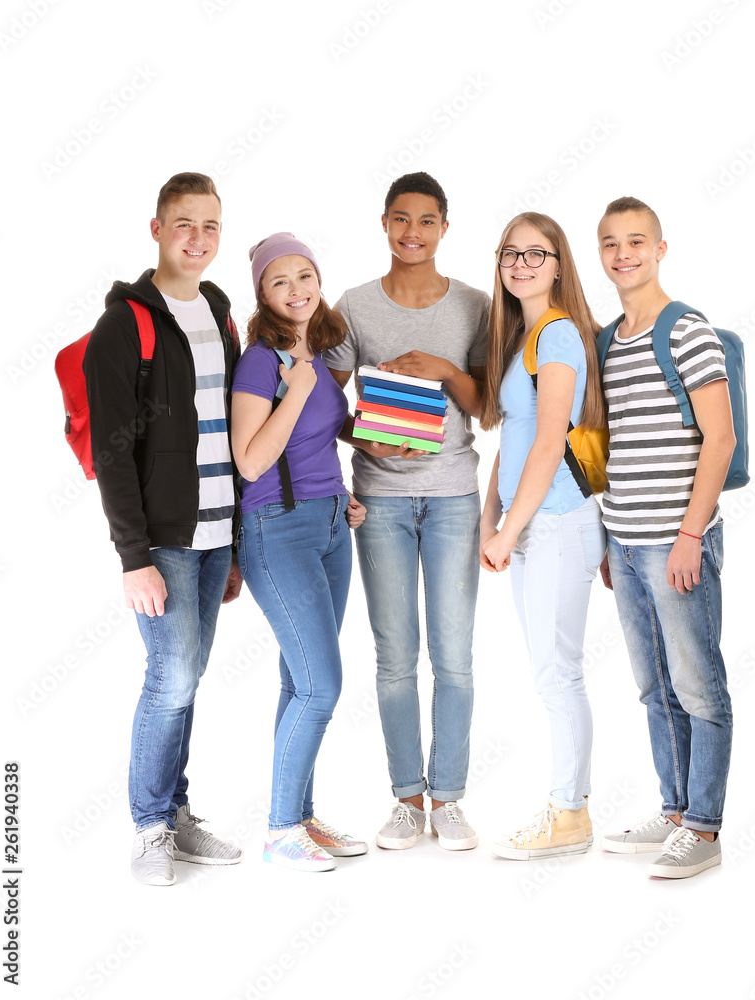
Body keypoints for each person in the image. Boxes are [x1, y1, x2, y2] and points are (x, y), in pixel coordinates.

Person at [84, 172, 244, 886]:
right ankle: (150, 824)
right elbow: (111, 452)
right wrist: (133, 557)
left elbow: (236, 428)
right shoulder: (127, 324)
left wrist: (236, 540)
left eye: (210, 226)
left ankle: (176, 813)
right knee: (171, 676)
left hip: (217, 535)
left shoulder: (218, 307)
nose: (197, 239)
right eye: (184, 224)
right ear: (156, 229)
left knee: (189, 676)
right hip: (164, 541)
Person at [324, 172, 489, 851]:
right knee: (395, 656)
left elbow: (486, 407)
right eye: (401, 219)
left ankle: (448, 799)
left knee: (454, 656)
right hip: (381, 499)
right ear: (384, 224)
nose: (412, 232)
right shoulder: (354, 306)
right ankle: (405, 798)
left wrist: (445, 371)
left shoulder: (476, 307)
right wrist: (366, 436)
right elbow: (320, 404)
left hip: (453, 494)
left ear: (445, 227)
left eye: (426, 220)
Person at [596, 196, 735, 878]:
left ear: (660, 249)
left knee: (698, 686)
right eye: (611, 244)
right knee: (654, 688)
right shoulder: (606, 340)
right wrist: (607, 538)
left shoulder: (688, 331)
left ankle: (703, 831)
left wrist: (689, 534)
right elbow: (611, 446)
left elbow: (721, 436)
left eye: (636, 242)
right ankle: (675, 808)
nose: (624, 255)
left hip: (677, 541)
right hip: (624, 540)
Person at [232, 233, 367, 873]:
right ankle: (280, 828)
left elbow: (318, 443)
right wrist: (297, 387)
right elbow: (252, 458)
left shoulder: (318, 349)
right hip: (276, 529)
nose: (298, 290)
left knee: (298, 680)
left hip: (332, 524)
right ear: (262, 293)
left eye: (306, 275)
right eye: (281, 280)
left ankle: (302, 818)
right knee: (322, 686)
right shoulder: (262, 361)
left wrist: (344, 497)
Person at [479, 212, 607, 860]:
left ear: (559, 264)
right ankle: (568, 810)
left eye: (537, 253)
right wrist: (489, 519)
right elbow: (516, 439)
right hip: (533, 526)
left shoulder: (556, 336)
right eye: (511, 253)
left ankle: (570, 815)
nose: (522, 263)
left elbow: (552, 443)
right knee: (549, 673)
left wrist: (511, 529)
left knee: (559, 675)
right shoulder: (523, 336)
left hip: (556, 525)